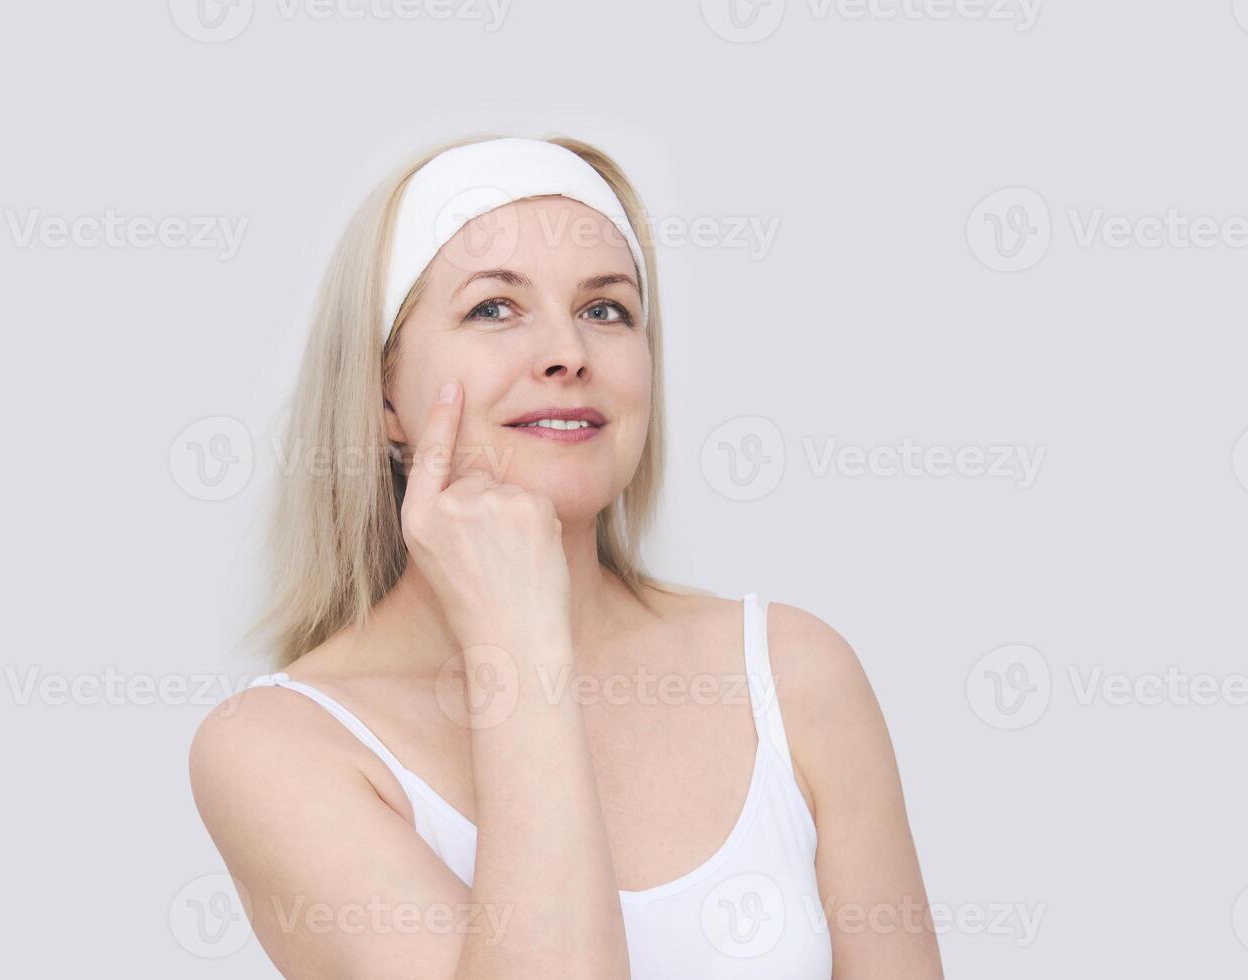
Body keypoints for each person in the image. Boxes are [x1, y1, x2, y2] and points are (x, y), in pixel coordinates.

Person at [189, 134, 943, 979]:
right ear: (383, 397)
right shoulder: (279, 750)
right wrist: (519, 645)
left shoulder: (796, 674)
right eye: (493, 308)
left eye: (606, 309)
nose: (568, 353)